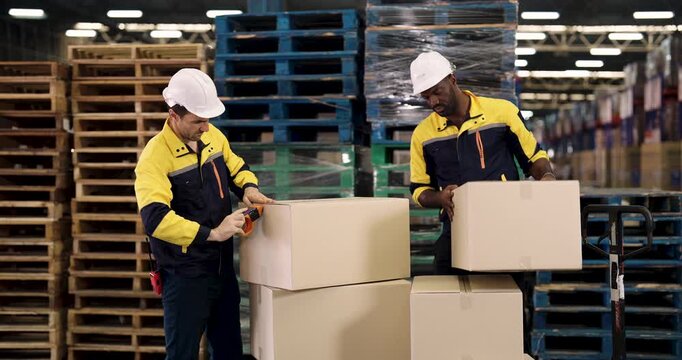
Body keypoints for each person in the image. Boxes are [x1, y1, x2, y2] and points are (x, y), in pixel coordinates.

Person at [134, 68, 273, 360]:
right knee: (182, 354)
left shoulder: (213, 137)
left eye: (208, 120)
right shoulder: (155, 157)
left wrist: (249, 187)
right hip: (184, 276)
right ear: (173, 114)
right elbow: (155, 219)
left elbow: (236, 167)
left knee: (229, 351)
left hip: (221, 272)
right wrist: (212, 233)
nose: (205, 127)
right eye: (197, 121)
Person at [408, 51, 555, 276]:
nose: (434, 102)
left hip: (507, 226)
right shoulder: (423, 134)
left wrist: (546, 177)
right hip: (457, 229)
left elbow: (533, 157)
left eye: (437, 92)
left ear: (452, 80)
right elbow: (418, 189)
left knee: (507, 299)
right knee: (451, 299)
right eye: (426, 97)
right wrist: (440, 197)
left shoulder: (502, 112)